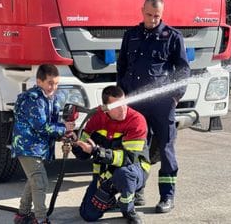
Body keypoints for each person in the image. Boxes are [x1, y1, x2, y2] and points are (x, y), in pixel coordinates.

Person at [117, 0, 190, 213]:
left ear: (162, 14)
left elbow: (183, 69)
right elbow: (122, 66)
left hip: (161, 104)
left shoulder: (173, 37)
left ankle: (167, 197)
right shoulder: (131, 36)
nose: (152, 20)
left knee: (166, 149)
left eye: (156, 16)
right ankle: (137, 190)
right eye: (149, 15)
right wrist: (121, 94)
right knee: (137, 147)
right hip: (135, 103)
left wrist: (175, 96)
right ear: (142, 10)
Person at [72, 86, 150, 224]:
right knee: (87, 214)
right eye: (117, 106)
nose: (123, 109)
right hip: (105, 177)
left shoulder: (137, 120)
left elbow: (127, 158)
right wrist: (73, 141)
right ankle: (111, 200)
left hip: (134, 170)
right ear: (106, 108)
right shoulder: (96, 119)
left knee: (124, 174)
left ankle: (128, 210)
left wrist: (97, 151)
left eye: (124, 103)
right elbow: (82, 154)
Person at [11, 64, 75, 224]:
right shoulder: (33, 99)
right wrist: (63, 128)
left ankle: (22, 214)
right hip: (27, 147)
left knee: (35, 179)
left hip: (37, 147)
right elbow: (42, 126)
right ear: (39, 82)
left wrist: (63, 134)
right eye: (50, 83)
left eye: (56, 83)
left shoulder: (50, 98)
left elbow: (51, 125)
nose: (54, 87)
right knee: (39, 181)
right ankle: (40, 219)